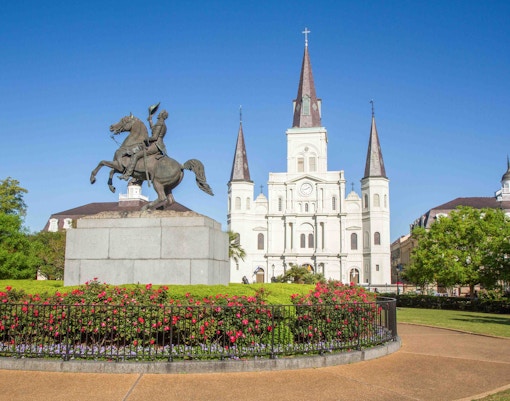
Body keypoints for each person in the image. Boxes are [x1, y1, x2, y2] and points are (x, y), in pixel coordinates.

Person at [120, 109, 169, 180]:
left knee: (136, 155)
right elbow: (154, 130)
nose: (158, 115)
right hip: (159, 145)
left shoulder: (159, 123)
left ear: (161, 115)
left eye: (159, 114)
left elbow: (155, 137)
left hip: (155, 145)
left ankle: (127, 174)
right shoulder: (162, 124)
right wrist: (150, 120)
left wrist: (145, 139)